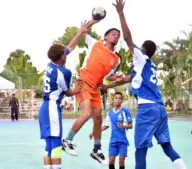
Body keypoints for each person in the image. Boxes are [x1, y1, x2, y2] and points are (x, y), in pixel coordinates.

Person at [102, 1, 187, 169]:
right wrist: (106, 87)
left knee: (140, 149)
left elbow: (127, 37)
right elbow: (127, 78)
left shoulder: (141, 57)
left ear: (143, 49)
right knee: (166, 145)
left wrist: (120, 13)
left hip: (147, 109)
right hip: (160, 109)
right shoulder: (148, 67)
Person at [62, 18, 124, 164]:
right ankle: (67, 141)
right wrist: (93, 21)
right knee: (87, 113)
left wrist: (118, 77)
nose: (116, 36)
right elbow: (83, 31)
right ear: (106, 37)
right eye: (113, 34)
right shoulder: (95, 44)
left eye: (118, 35)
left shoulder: (116, 60)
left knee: (98, 118)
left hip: (96, 88)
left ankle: (96, 150)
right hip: (83, 82)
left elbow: (108, 75)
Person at [39, 21, 91, 169]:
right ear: (62, 57)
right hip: (52, 109)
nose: (66, 53)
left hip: (45, 108)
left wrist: (80, 32)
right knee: (56, 143)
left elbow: (70, 46)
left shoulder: (52, 65)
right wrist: (77, 89)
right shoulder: (64, 73)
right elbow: (68, 92)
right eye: (64, 53)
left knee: (49, 144)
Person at [89, 92, 132, 169]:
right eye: (116, 98)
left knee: (121, 160)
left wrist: (123, 126)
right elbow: (105, 126)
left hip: (123, 141)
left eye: (120, 98)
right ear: (113, 100)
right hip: (113, 141)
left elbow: (131, 125)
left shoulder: (125, 111)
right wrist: (94, 132)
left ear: (122, 101)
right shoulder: (110, 112)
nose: (118, 100)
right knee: (111, 161)